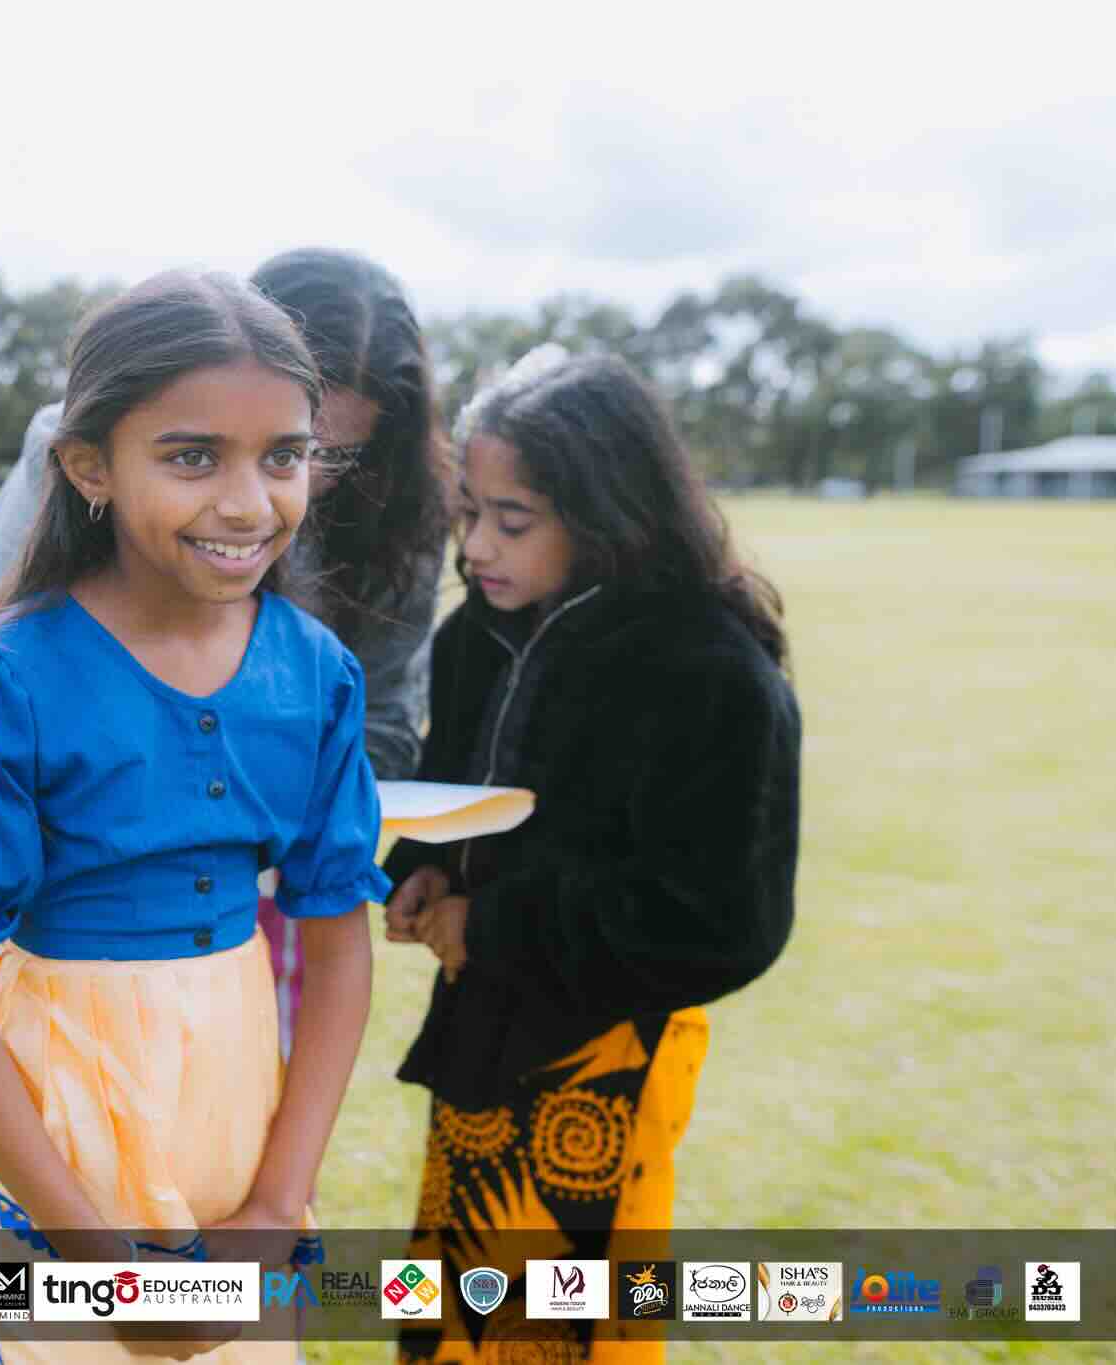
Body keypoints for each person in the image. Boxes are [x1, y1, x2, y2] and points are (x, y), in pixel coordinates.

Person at [0, 269, 390, 1362]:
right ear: (86, 467)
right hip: (57, 1127)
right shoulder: (0, 686)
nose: (249, 502)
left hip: (237, 1109)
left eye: (283, 456)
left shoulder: (316, 677)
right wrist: (101, 1271)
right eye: (191, 456)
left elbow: (338, 950)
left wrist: (274, 1207)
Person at [379, 352, 802, 1363]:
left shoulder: (708, 669)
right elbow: (453, 792)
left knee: (567, 1336)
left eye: (511, 520)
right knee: (447, 1321)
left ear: (609, 511)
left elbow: (719, 920)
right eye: (466, 512)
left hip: (609, 1059)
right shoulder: (475, 635)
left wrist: (495, 924)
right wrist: (422, 872)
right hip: (478, 1040)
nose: (476, 546)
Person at [0, 247, 447, 1058]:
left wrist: (285, 784)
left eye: (314, 455)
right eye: (198, 456)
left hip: (276, 890)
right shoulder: (75, 453)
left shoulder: (402, 516)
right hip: (85, 901)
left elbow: (388, 713)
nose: (257, 500)